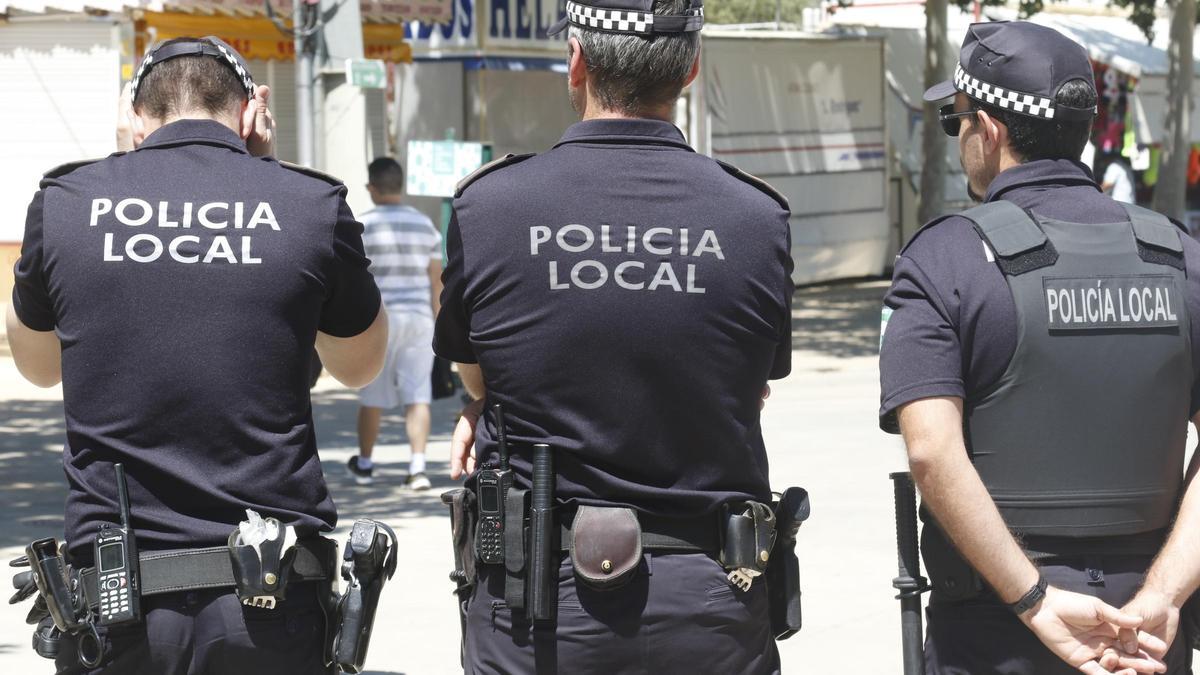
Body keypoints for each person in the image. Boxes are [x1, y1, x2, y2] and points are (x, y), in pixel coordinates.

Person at [6, 36, 387, 674]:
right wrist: (271, 175)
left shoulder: (65, 204)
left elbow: (37, 368)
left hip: (114, 602)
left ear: (133, 117)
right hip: (269, 603)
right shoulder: (310, 205)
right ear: (250, 113)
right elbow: (361, 365)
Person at [433, 0, 795, 671]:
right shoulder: (756, 217)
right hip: (710, 598)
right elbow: (752, 385)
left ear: (576, 61)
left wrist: (480, 404)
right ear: (690, 70)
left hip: (538, 609)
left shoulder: (488, 207)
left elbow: (477, 371)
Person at [879, 21, 1200, 675]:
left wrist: (1035, 599)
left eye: (955, 119)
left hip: (994, 639)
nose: (960, 134)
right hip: (1147, 641)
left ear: (989, 130)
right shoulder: (1180, 257)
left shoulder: (943, 261)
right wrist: (1163, 595)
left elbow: (931, 450)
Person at [346, 157, 442, 490]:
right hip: (419, 317)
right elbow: (436, 281)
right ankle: (418, 468)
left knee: (372, 393)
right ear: (400, 185)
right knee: (418, 393)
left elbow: (354, 280)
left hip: (379, 320)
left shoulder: (361, 225)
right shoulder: (425, 225)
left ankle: (366, 463)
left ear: (372, 188)